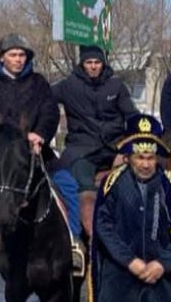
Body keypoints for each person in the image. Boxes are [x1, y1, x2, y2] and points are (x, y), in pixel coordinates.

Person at [0, 33, 84, 273]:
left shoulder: (39, 83)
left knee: (67, 183)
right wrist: (24, 138)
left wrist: (41, 134)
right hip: (0, 149)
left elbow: (50, 112)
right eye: (13, 55)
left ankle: (74, 241)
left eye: (22, 55)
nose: (18, 59)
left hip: (38, 149)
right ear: (1, 58)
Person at [88, 113, 171, 302]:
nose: (146, 164)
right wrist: (130, 261)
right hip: (120, 278)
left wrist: (163, 263)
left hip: (162, 281)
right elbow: (104, 227)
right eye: (140, 158)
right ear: (129, 157)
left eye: (150, 158)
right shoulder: (113, 184)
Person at [54, 44, 137, 241]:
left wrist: (126, 149)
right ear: (82, 64)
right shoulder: (68, 86)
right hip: (82, 150)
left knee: (140, 177)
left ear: (103, 63)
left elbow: (132, 116)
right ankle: (94, 240)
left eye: (97, 62)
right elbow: (43, 99)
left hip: (114, 147)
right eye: (89, 62)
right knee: (84, 186)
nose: (93, 66)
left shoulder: (116, 86)